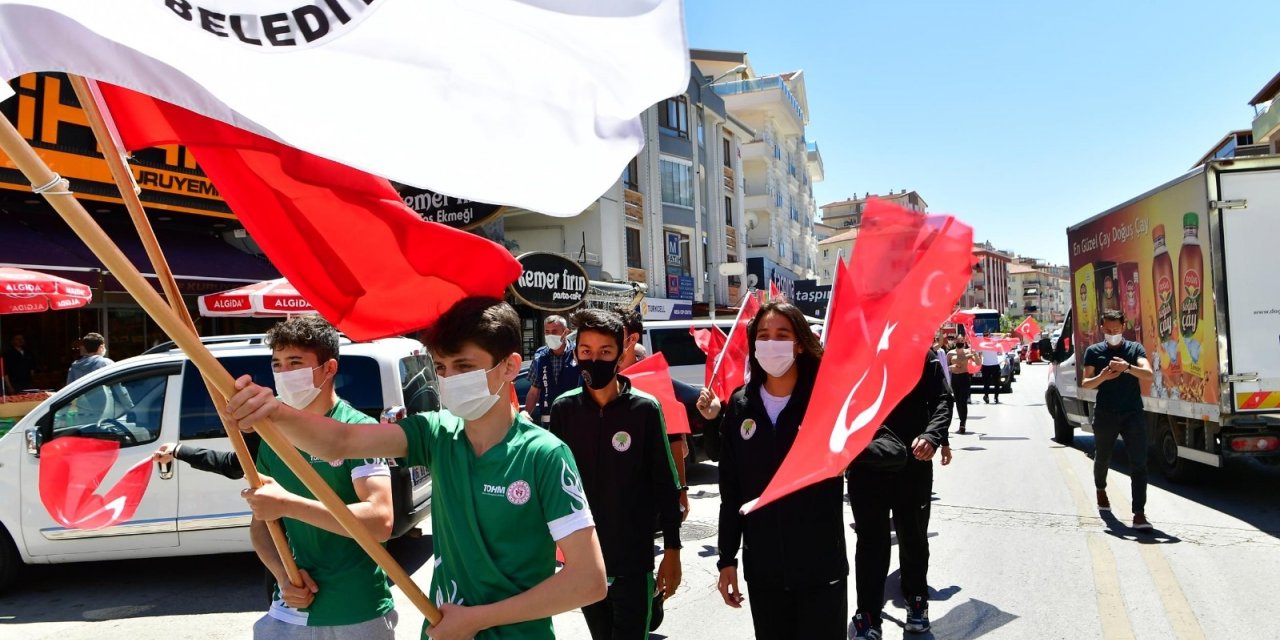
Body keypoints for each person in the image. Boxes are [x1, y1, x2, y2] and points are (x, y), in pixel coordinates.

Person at [226, 297, 607, 640]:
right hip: (441, 633)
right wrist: (274, 411)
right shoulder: (436, 433)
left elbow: (588, 581)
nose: (449, 380)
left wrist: (476, 620)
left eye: (464, 366)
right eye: (440, 367)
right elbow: (340, 441)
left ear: (510, 366)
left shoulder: (544, 454)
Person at [224, 317, 399, 638]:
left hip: (355, 608)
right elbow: (261, 524)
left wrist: (289, 505)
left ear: (329, 368)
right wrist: (283, 576)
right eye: (277, 364)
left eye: (295, 363)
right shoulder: (273, 436)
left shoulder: (357, 429)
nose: (284, 373)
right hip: (290, 609)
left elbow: (380, 521)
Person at [707, 301, 849, 639]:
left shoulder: (826, 401)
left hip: (820, 569)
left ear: (799, 343)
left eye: (782, 335)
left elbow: (886, 450)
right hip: (764, 571)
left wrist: (849, 449)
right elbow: (731, 493)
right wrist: (727, 559)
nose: (771, 344)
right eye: (763, 336)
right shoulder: (741, 405)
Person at [548, 308, 682, 639]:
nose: (594, 360)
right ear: (576, 354)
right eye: (585, 352)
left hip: (634, 561)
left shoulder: (645, 409)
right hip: (585, 562)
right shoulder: (564, 409)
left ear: (620, 354)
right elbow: (551, 485)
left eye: (605, 352)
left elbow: (666, 483)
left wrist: (673, 552)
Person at [847, 350, 953, 639]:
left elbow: (943, 400)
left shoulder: (921, 352)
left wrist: (933, 436)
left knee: (913, 536)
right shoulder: (854, 347)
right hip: (866, 464)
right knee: (871, 541)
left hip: (914, 463)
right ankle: (867, 616)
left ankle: (917, 600)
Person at [1081, 309, 1155, 530]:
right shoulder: (1093, 351)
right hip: (1105, 413)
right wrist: (1103, 376)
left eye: (1116, 329)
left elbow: (1149, 373)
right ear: (1102, 328)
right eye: (1108, 330)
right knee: (1103, 457)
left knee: (1139, 463)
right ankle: (1101, 489)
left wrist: (1128, 368)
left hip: (1132, 413)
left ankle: (1139, 513)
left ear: (1123, 327)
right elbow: (1086, 383)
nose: (1112, 333)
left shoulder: (1135, 349)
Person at [525, 315, 580, 426]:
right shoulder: (539, 357)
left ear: (565, 332)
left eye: (554, 332)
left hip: (574, 419)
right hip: (548, 421)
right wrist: (526, 415)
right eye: (547, 332)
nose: (550, 336)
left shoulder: (578, 353)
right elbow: (534, 392)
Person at [948, 337, 980, 434]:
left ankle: (963, 423)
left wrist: (975, 354)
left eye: (961, 341)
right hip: (955, 378)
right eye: (958, 341)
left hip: (964, 378)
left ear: (964, 342)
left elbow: (978, 363)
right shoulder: (950, 353)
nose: (959, 342)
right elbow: (944, 366)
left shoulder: (968, 352)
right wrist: (951, 367)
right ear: (955, 342)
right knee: (957, 401)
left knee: (963, 401)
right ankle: (961, 420)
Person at [977, 333, 1002, 404]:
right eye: (984, 335)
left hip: (995, 365)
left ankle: (996, 397)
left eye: (987, 335)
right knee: (986, 383)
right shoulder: (981, 344)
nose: (986, 337)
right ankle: (986, 396)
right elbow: (977, 351)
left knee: (997, 383)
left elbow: (1001, 342)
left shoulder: (994, 343)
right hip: (985, 366)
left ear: (990, 336)